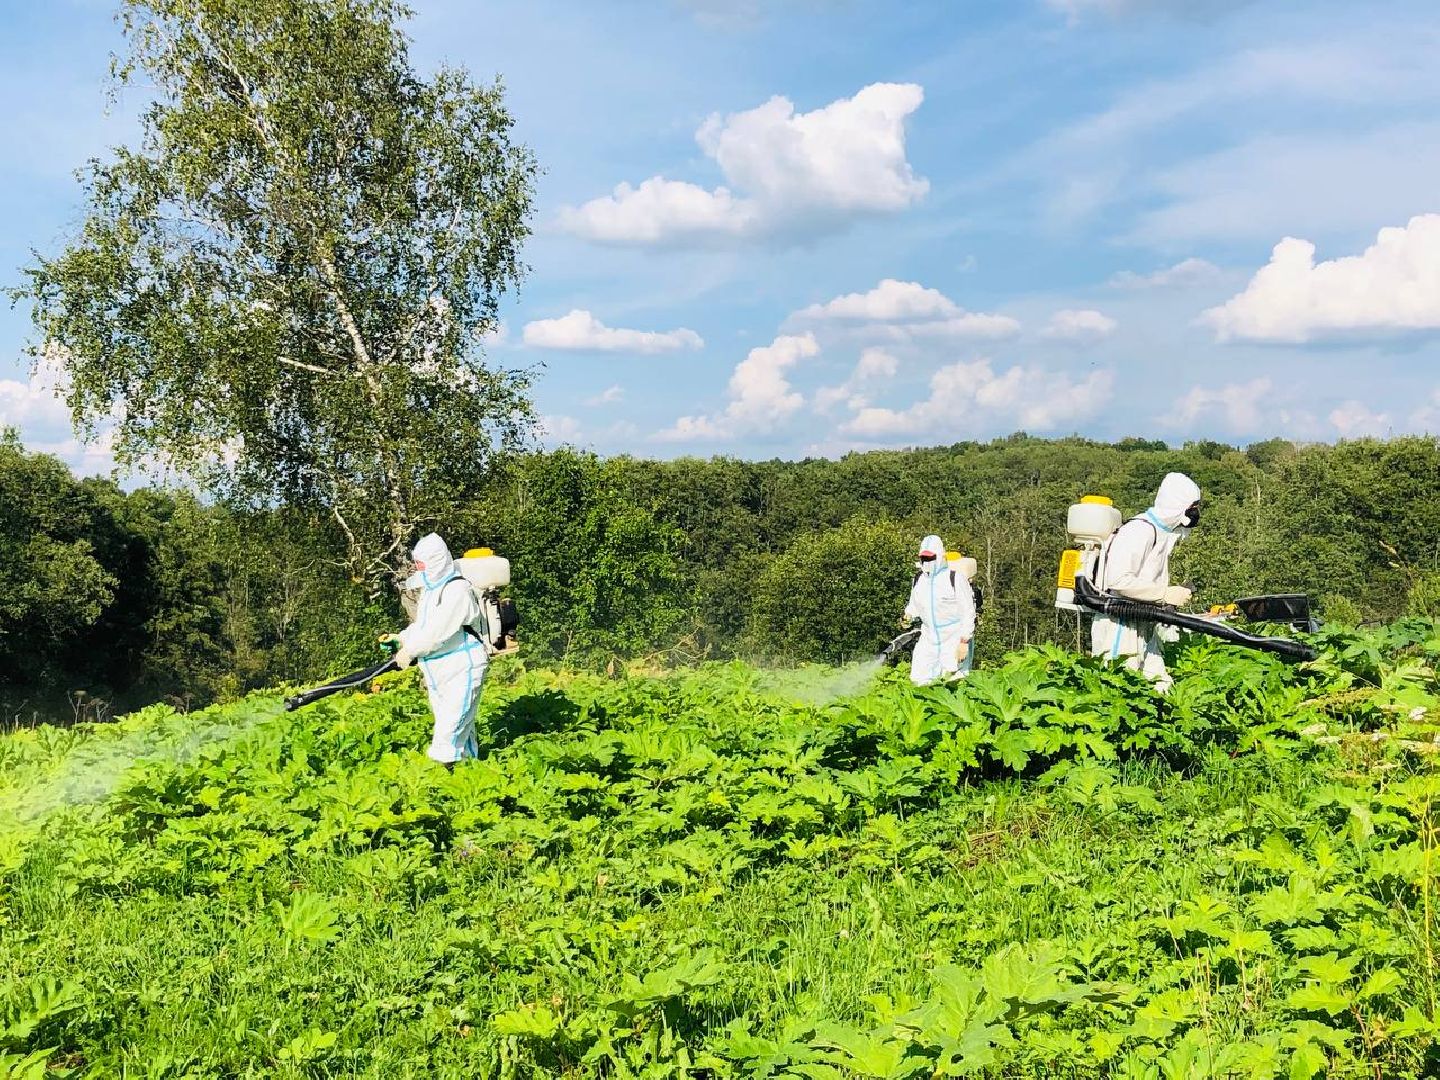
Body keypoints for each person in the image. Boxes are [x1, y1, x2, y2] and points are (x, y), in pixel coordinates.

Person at [1089, 472, 1201, 693]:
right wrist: (1165, 594)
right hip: (1120, 624)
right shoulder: (1140, 530)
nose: (1195, 513)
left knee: (1161, 688)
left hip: (1143, 621)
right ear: (1177, 504)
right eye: (1193, 507)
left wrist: (1171, 597)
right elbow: (1118, 580)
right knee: (1118, 689)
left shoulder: (1162, 533)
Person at [384, 533, 488, 769]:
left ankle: (440, 776)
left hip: (462, 667)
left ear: (436, 561)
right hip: (438, 669)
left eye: (422, 564)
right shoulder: (431, 590)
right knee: (461, 729)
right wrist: (401, 639)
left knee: (448, 732)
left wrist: (410, 652)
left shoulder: (457, 590)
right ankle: (470, 773)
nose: (419, 569)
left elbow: (437, 632)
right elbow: (423, 627)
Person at [904, 534, 975, 686]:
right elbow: (914, 605)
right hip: (928, 637)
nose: (927, 561)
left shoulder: (954, 578)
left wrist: (964, 641)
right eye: (924, 558)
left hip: (953, 637)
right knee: (919, 678)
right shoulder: (919, 579)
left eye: (930, 558)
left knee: (953, 680)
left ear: (940, 556)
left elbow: (968, 612)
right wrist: (908, 615)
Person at [946, 551, 980, 676]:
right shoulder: (967, 585)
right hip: (963, 631)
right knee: (962, 669)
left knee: (957, 670)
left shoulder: (957, 584)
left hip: (957, 632)